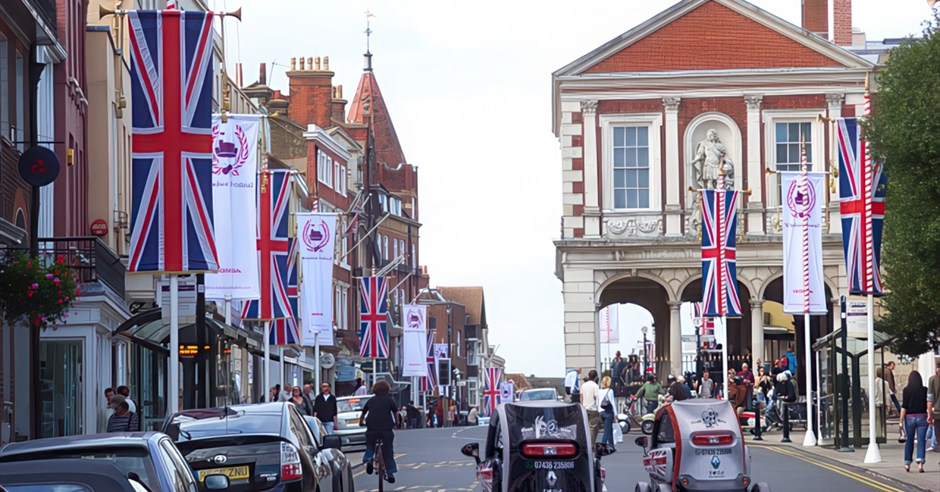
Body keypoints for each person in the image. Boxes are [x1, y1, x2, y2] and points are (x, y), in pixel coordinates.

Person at [360, 380, 398, 483]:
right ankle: (390, 472)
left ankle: (368, 459)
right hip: (386, 429)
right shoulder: (389, 400)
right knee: (388, 449)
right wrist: (397, 423)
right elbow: (395, 412)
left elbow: (364, 412)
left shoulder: (371, 400)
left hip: (372, 428)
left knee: (370, 444)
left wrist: (361, 421)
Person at [900, 370, 929, 473]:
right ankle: (920, 464)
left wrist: (901, 420)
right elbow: (928, 404)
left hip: (909, 417)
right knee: (921, 440)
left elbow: (904, 406)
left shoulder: (906, 390)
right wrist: (930, 415)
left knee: (909, 440)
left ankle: (907, 463)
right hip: (922, 416)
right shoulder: (925, 390)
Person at [580, 370, 602, 446]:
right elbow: (596, 397)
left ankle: (584, 444)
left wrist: (582, 405)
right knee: (593, 428)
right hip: (592, 409)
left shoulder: (583, 385)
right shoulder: (595, 386)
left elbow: (581, 396)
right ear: (595, 378)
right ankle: (591, 445)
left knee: (585, 427)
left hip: (584, 408)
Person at [775, 371, 797, 443]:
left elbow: (791, 395)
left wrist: (785, 397)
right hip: (782, 401)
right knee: (778, 404)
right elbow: (776, 393)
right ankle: (780, 419)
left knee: (782, 406)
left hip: (789, 402)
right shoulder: (780, 384)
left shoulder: (789, 384)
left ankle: (782, 420)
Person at [598, 376, 616, 450]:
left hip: (601, 411)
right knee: (607, 430)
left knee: (609, 428)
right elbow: (612, 403)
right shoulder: (610, 391)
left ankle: (611, 445)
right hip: (608, 412)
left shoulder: (599, 391)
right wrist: (615, 414)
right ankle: (602, 445)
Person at [927, 362, 940, 454]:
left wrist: (929, 414)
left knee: (938, 429)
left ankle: (938, 445)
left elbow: (930, 399)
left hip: (937, 410)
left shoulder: (932, 380)